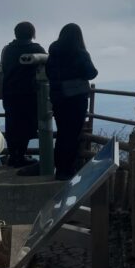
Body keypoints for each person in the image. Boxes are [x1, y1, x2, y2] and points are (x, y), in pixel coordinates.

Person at [46, 24, 98, 180]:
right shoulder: (81, 53)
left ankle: (60, 169)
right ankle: (68, 170)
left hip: (58, 98)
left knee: (62, 133)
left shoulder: (53, 53)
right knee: (73, 134)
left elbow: (49, 73)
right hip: (76, 99)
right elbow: (92, 73)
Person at [0, 22, 46, 166]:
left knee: (12, 124)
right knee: (26, 126)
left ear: (16, 33)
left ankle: (13, 156)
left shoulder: (7, 49)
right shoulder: (36, 48)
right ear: (32, 33)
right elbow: (46, 64)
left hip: (9, 93)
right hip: (28, 94)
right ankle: (20, 156)